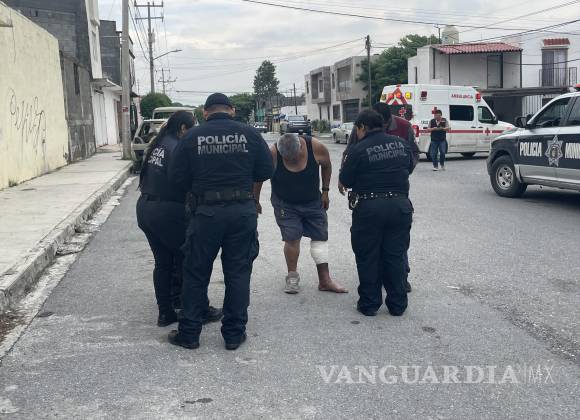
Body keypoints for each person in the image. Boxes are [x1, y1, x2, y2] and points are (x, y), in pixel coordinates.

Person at [168, 93, 273, 350]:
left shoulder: (192, 137)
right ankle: (234, 334)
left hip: (206, 213)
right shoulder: (250, 134)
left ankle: (189, 333)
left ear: (205, 113)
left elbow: (176, 177)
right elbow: (266, 170)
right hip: (242, 212)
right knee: (238, 273)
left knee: (196, 272)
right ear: (232, 110)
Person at [136, 111, 222, 327]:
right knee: (190, 260)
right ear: (183, 128)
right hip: (167, 212)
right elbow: (186, 181)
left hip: (146, 208)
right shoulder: (177, 148)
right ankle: (199, 309)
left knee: (163, 263)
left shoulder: (159, 143)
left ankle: (166, 312)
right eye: (192, 128)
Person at [339, 110, 415, 317]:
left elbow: (346, 180)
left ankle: (370, 303)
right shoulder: (401, 144)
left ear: (362, 127)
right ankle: (398, 304)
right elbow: (409, 167)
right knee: (396, 255)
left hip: (370, 208)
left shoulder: (358, 149)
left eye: (357, 129)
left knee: (368, 255)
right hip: (400, 206)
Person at [254, 133, 347, 295]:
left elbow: (326, 165)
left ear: (301, 147)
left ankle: (325, 280)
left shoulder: (316, 147)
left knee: (320, 238)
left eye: (294, 158)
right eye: (287, 159)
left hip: (313, 201)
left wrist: (325, 191)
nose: (291, 161)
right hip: (285, 203)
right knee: (292, 238)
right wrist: (255, 200)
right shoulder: (273, 153)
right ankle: (292, 278)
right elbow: (259, 177)